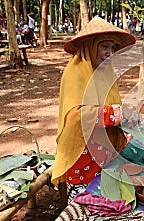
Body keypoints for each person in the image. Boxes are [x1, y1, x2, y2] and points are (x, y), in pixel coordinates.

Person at [51, 17, 136, 202]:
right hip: (82, 157)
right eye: (105, 47)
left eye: (113, 48)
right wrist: (113, 114)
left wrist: (126, 116)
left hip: (103, 153)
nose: (110, 53)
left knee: (106, 201)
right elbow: (75, 117)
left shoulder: (104, 71)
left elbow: (112, 106)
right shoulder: (75, 72)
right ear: (90, 46)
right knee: (85, 206)